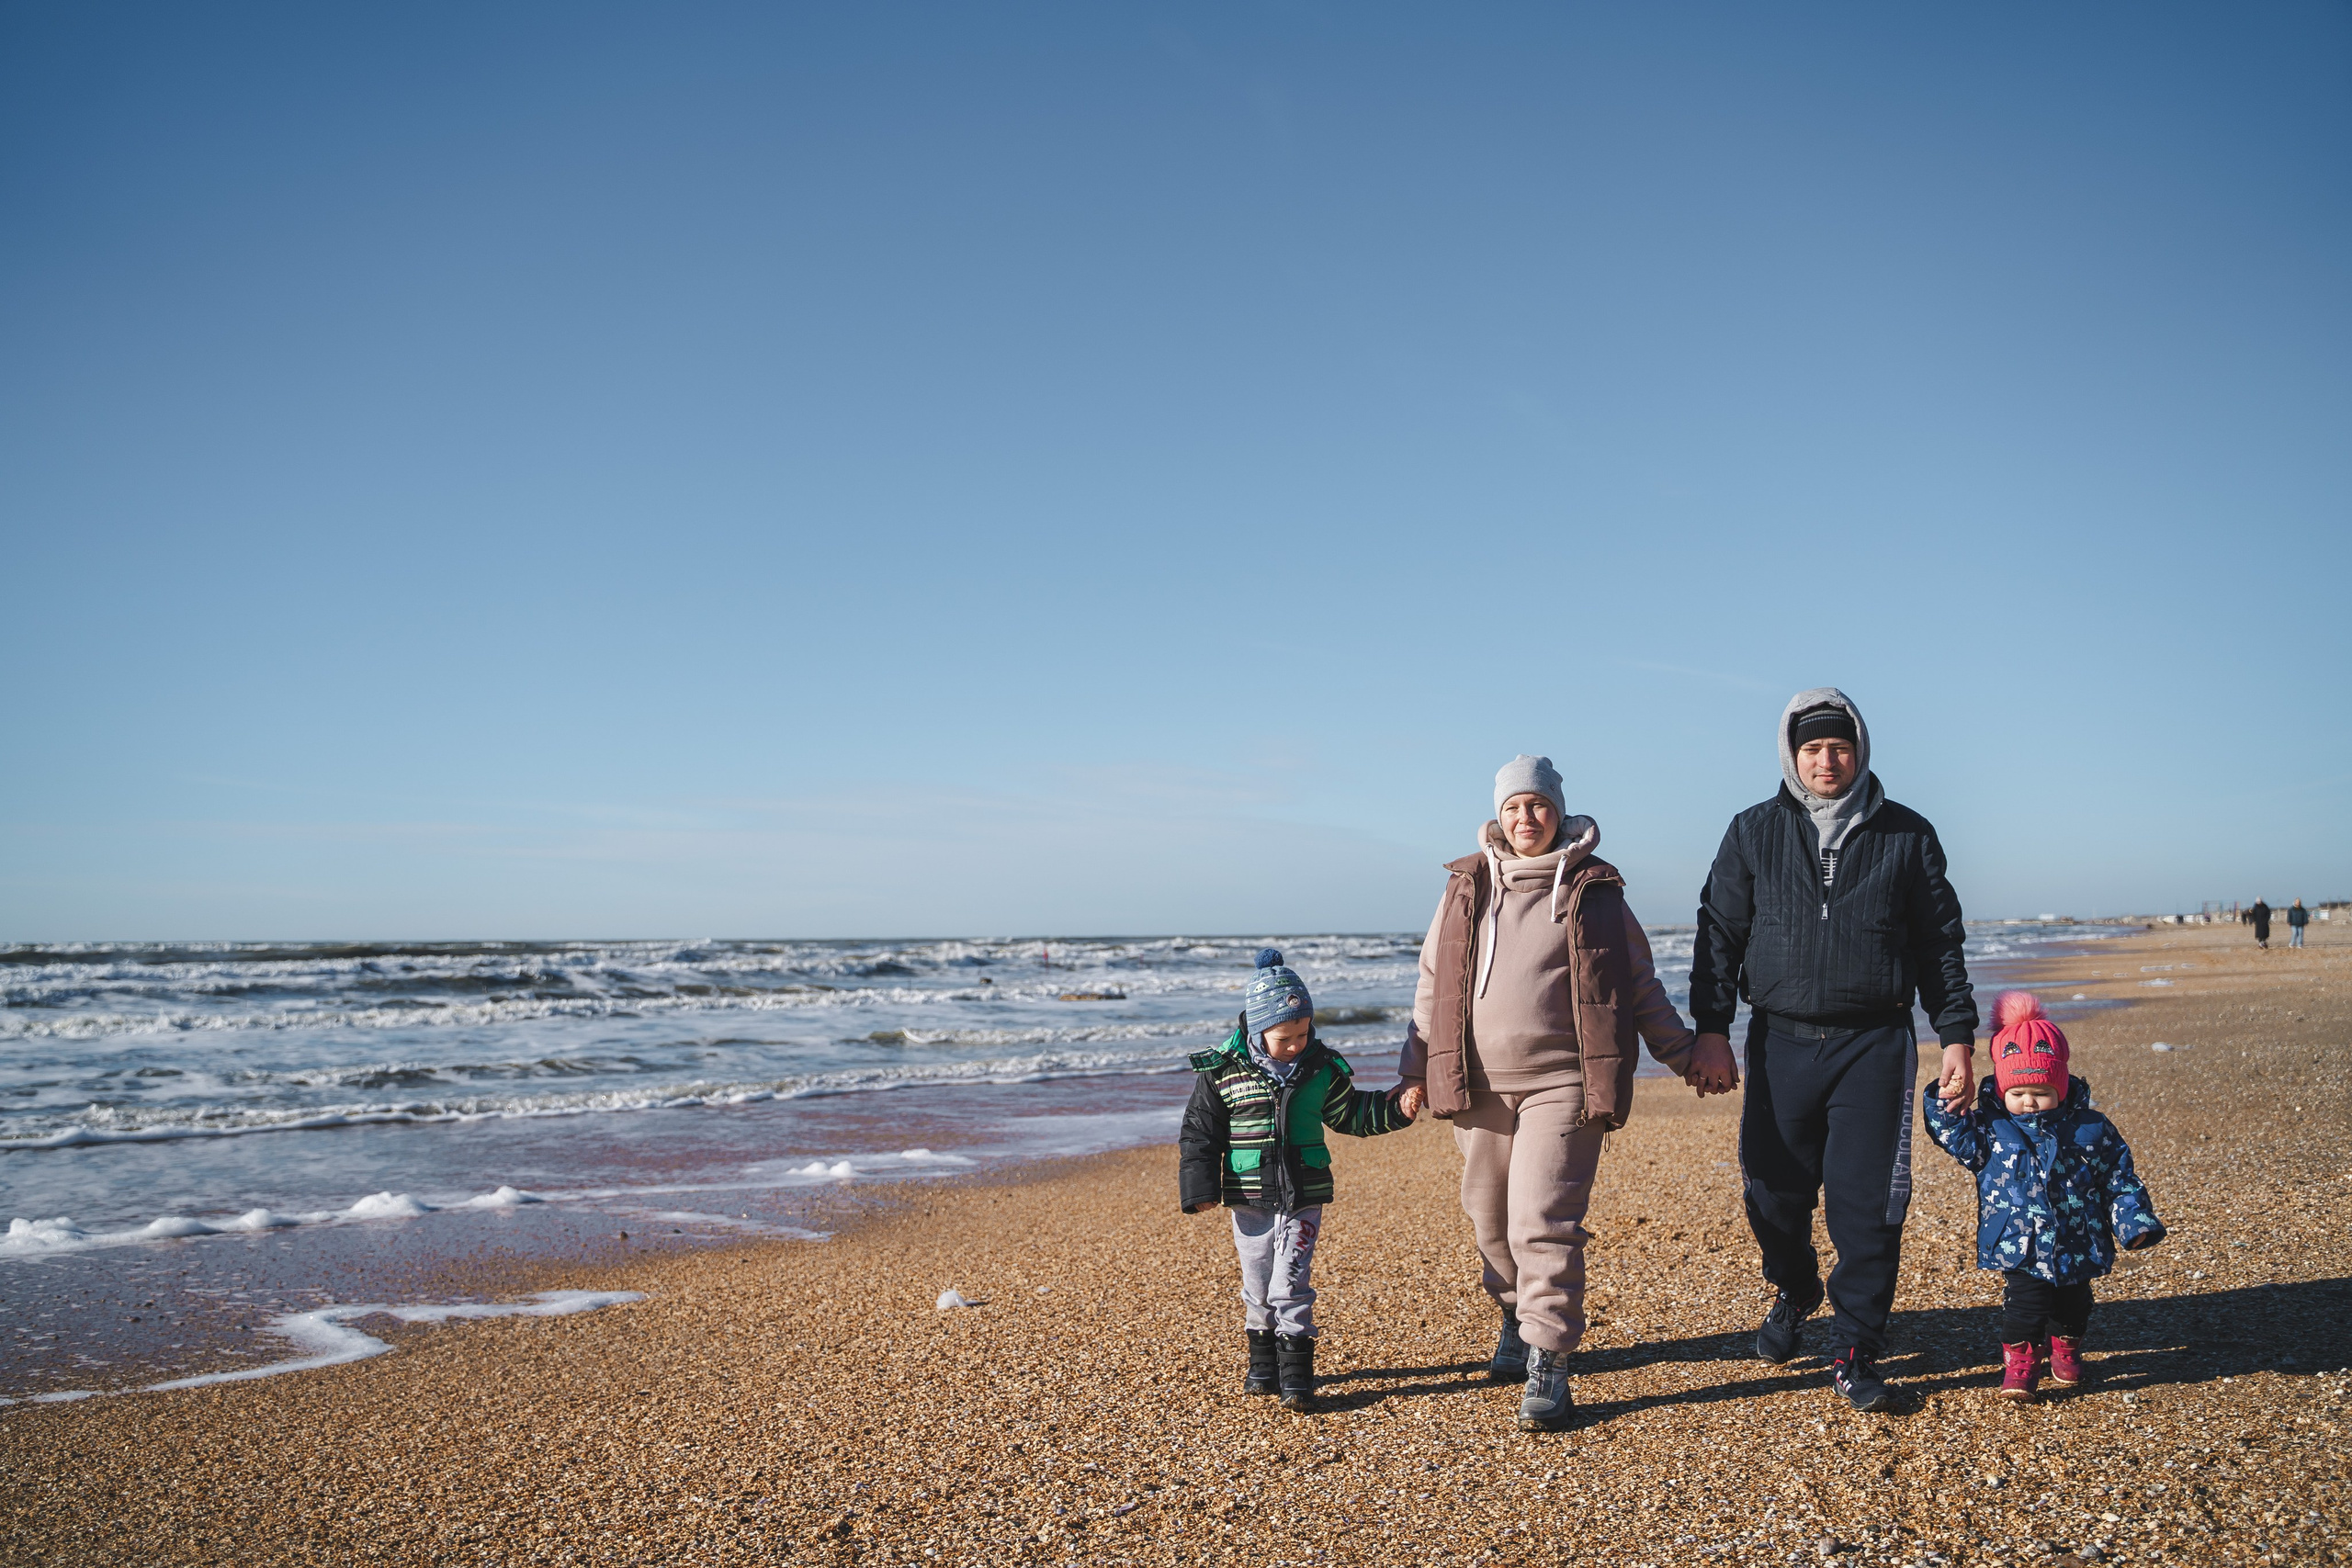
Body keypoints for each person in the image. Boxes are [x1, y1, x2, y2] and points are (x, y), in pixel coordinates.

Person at [1395, 755, 1733, 1433]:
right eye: (1515, 806)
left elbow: (1636, 985)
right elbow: (1432, 983)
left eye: (1539, 805)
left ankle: (1549, 1355)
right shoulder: (1466, 886)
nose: (1527, 817)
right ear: (1499, 813)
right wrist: (1414, 1071)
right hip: (1479, 1084)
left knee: (1540, 1218)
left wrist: (1684, 1051)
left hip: (1565, 1082)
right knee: (1489, 1217)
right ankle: (1515, 1319)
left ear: (1558, 812)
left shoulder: (1595, 889)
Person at [1690, 688, 1979, 1414]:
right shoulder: (1752, 831)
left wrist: (1957, 1038)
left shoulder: (1907, 836)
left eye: (1839, 746)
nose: (1827, 759)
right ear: (1792, 753)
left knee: (1869, 1203)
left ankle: (1854, 1343)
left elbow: (1940, 943)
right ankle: (1794, 1284)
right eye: (1813, 747)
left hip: (1874, 1044)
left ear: (1860, 750)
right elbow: (1718, 932)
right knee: (1771, 1192)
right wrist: (1711, 1027)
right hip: (1779, 1040)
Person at [1178, 949, 1417, 1412]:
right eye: (1284, 1037)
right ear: (1256, 1029)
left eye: (1303, 1033)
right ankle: (1262, 1363)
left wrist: (1395, 1109)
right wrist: (1200, 1189)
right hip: (1248, 1196)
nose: (1295, 1044)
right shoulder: (1221, 1072)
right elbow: (1200, 1132)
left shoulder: (1321, 1070)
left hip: (1303, 1193)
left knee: (1291, 1281)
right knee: (1257, 1280)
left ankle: (1297, 1375)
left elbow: (1351, 1114)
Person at [1921, 991, 2164, 1402]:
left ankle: (2065, 1346)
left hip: (2078, 1238)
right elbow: (1950, 1133)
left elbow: (2118, 1178)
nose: (2029, 1100)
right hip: (2019, 1241)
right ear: (2001, 1090)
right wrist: (1947, 1095)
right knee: (2023, 1309)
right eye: (2018, 1093)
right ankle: (2020, 1364)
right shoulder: (1990, 1130)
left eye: (2041, 1090)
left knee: (2074, 1307)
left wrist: (2134, 1223)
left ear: (2062, 1086)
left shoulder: (2091, 1129)